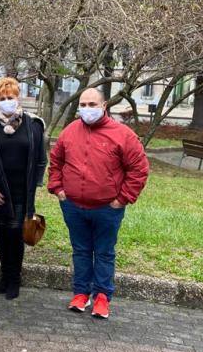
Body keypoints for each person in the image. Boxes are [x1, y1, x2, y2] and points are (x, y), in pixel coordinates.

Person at [48, 87, 149, 319]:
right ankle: (81, 293)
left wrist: (122, 198)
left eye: (92, 104)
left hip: (107, 209)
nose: (87, 109)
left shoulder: (122, 135)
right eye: (83, 105)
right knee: (81, 251)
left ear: (104, 106)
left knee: (104, 252)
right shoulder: (70, 131)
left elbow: (139, 169)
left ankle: (102, 296)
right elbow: (56, 161)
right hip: (73, 206)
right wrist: (58, 189)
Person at [0, 77, 47, 300]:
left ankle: (15, 278)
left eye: (10, 97)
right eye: (2, 98)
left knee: (16, 234)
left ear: (18, 97)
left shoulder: (33, 125)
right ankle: (4, 276)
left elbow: (41, 159)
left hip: (22, 190)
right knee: (2, 234)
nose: (6, 101)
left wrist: (36, 183)